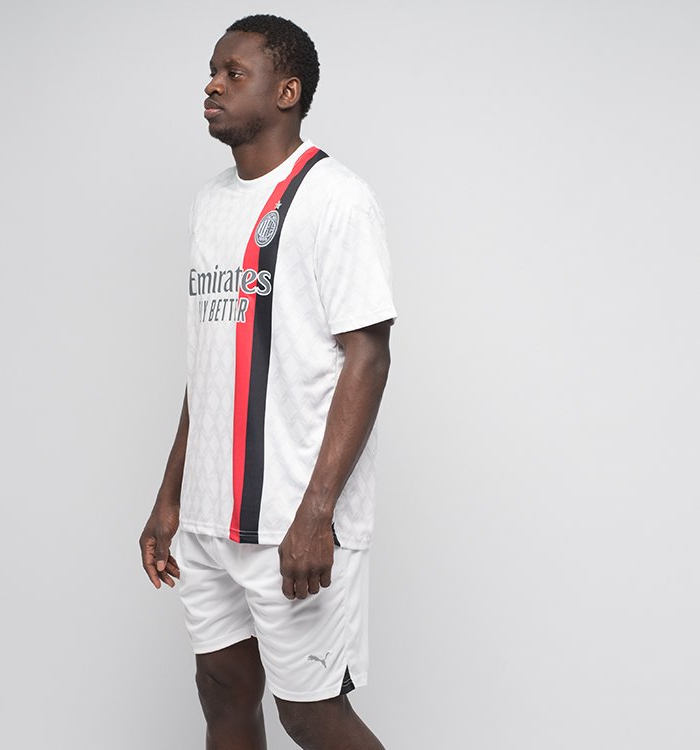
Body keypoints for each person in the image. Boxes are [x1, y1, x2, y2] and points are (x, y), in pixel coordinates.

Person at [139, 14, 396, 750]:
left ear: (287, 92)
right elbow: (210, 364)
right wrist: (170, 497)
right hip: (208, 518)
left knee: (311, 715)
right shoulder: (211, 203)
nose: (212, 86)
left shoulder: (335, 197)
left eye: (233, 73)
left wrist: (316, 513)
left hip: (291, 519)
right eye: (211, 72)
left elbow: (369, 356)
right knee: (222, 694)